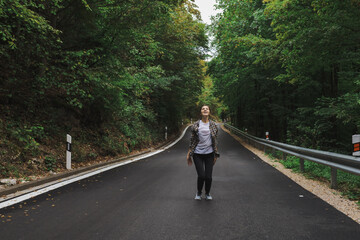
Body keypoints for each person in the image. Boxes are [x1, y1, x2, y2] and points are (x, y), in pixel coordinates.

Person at [187, 105, 220, 200]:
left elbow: (215, 141)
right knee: (201, 175)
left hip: (209, 154)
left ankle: (207, 193)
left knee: (208, 177)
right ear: (201, 112)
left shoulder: (213, 125)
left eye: (207, 109)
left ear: (209, 111)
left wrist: (215, 154)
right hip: (197, 154)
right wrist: (188, 154)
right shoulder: (196, 125)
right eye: (203, 108)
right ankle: (198, 192)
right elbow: (192, 140)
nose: (205, 110)